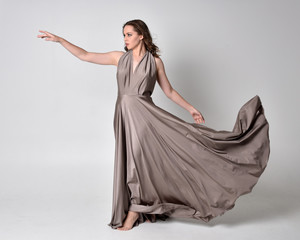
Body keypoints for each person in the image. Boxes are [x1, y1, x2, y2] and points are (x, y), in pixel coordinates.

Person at [37, 19, 270, 231]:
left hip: (145, 116)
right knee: (133, 160)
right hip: (123, 115)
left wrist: (190, 108)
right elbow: (85, 55)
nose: (125, 39)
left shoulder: (155, 62)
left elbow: (168, 91)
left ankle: (134, 210)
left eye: (128, 34)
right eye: (124, 35)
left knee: (140, 161)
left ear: (141, 35)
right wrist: (59, 40)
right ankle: (143, 205)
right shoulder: (119, 57)